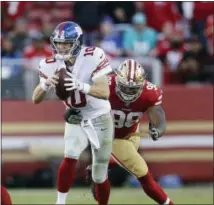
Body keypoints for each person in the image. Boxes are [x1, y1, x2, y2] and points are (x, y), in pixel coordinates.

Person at [32, 21, 114, 205]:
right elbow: (35, 98)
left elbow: (105, 93)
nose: (61, 47)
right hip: (75, 115)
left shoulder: (93, 55)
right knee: (70, 155)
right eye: (58, 43)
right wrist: (45, 85)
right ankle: (60, 203)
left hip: (99, 115)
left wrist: (80, 85)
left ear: (77, 42)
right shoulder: (48, 64)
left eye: (66, 43)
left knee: (99, 172)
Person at [80, 59, 174, 204]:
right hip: (110, 137)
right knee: (143, 173)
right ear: (117, 80)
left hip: (132, 134)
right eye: (126, 87)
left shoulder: (150, 93)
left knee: (104, 171)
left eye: (133, 88)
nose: (129, 92)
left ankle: (97, 174)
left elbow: (158, 117)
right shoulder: (105, 86)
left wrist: (158, 129)